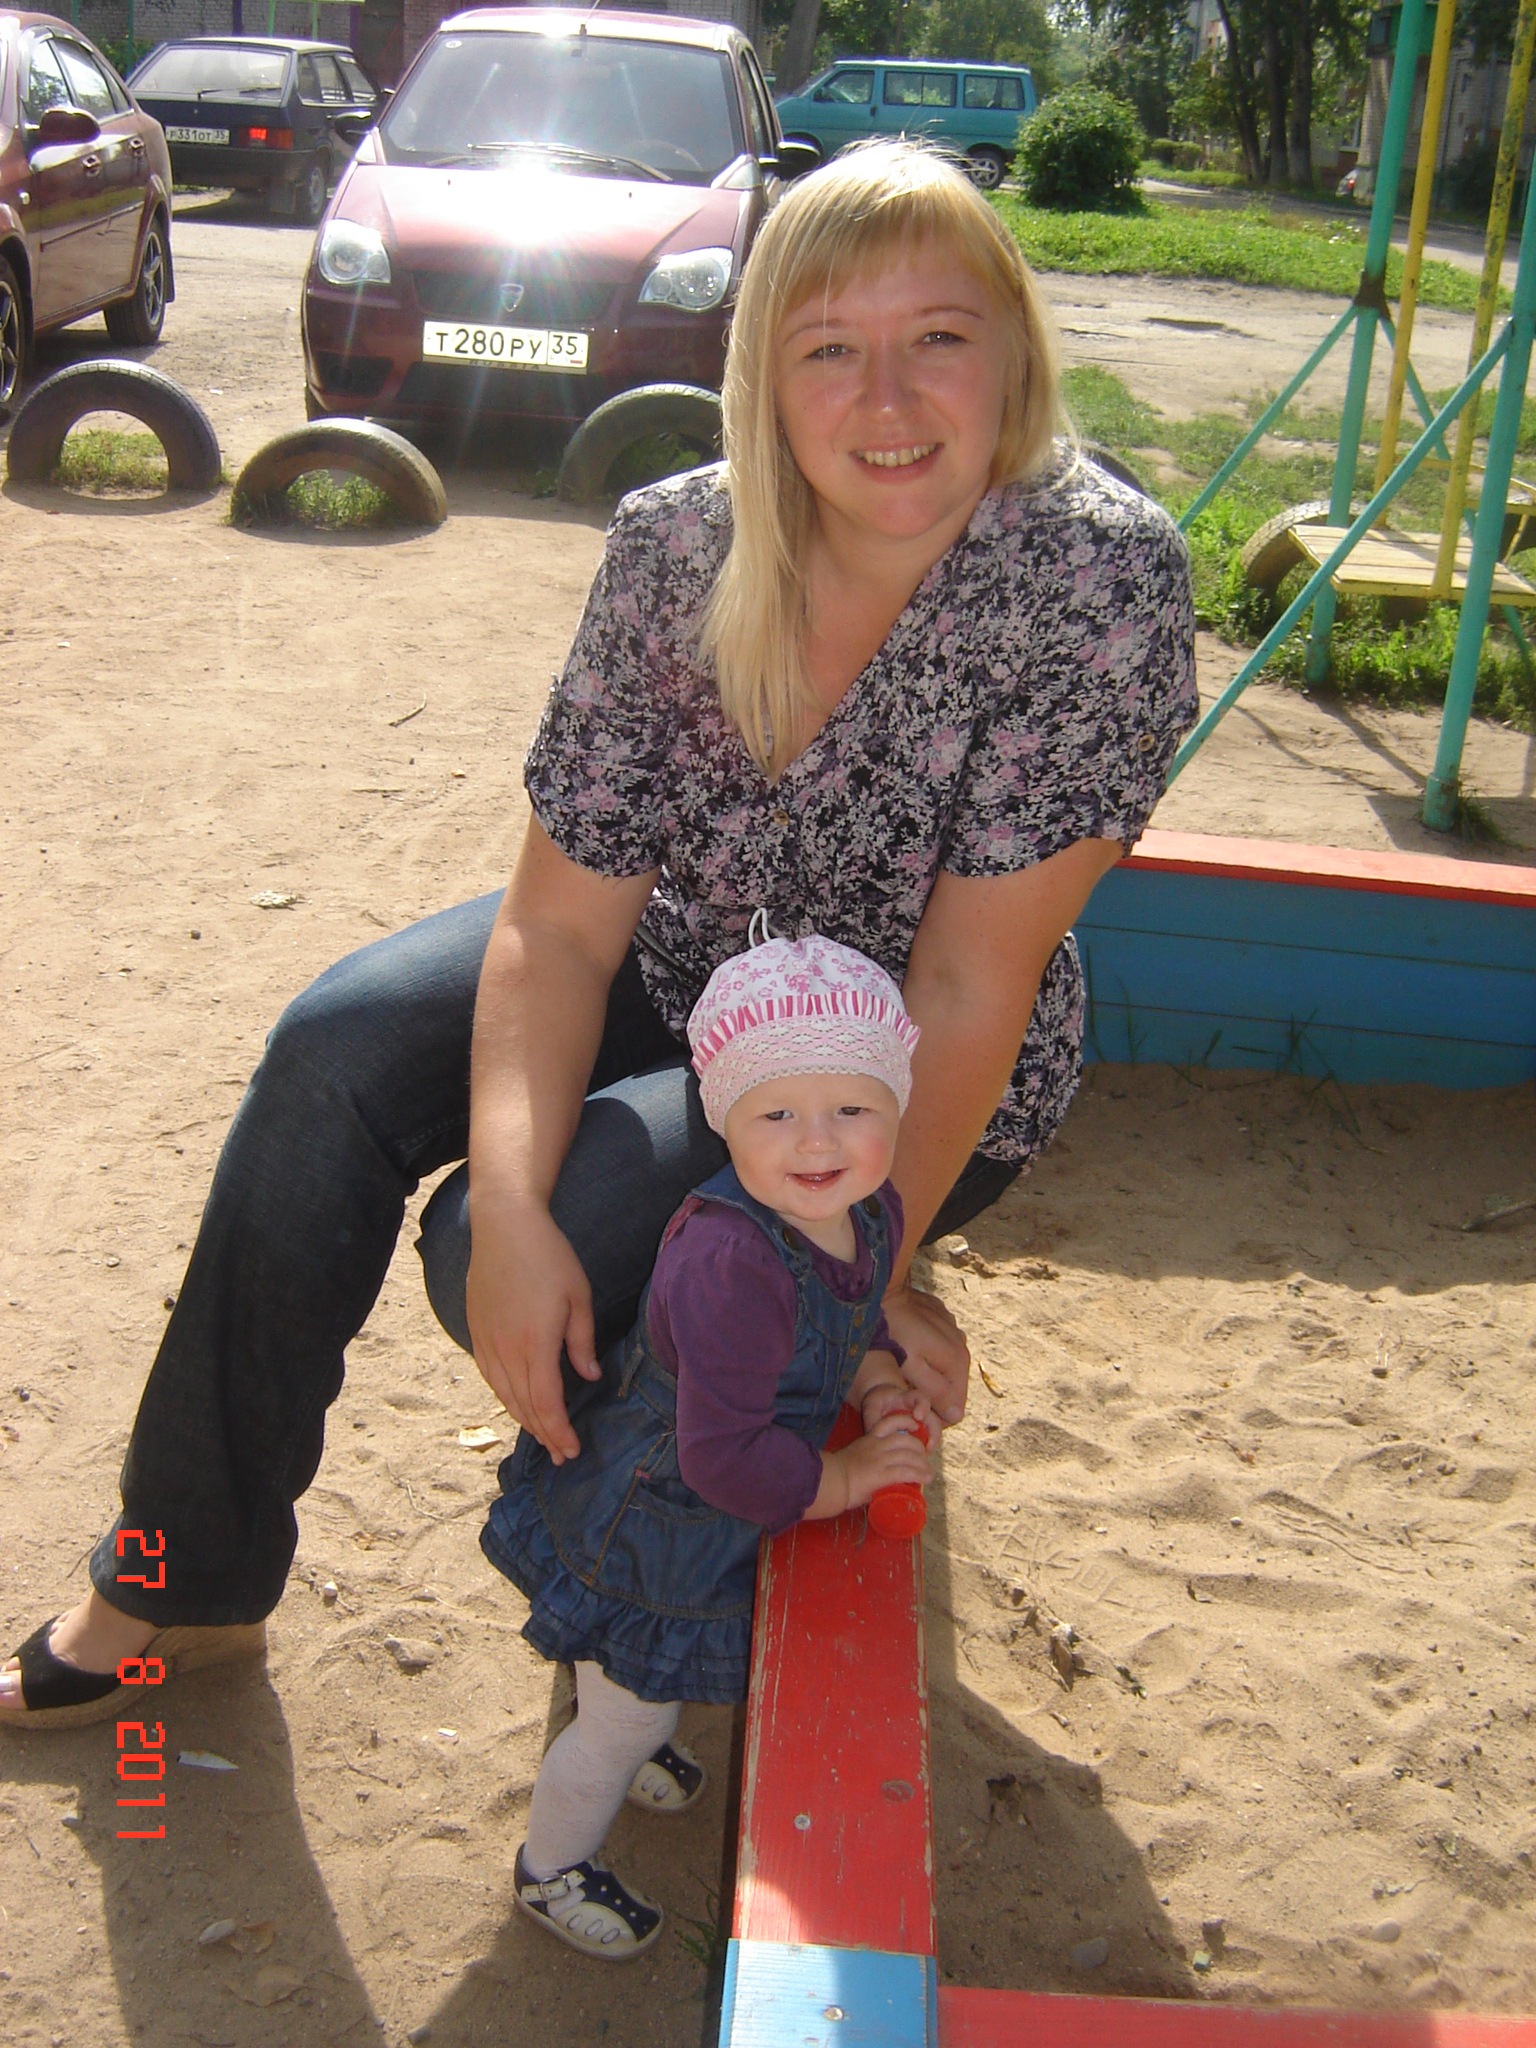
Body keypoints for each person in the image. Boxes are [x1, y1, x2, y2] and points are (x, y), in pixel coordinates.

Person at [0, 137, 1197, 1729]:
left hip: (898, 1069)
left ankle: (707, 1494)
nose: (887, 400)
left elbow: (972, 984)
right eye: (828, 350)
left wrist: (852, 1269)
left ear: (1016, 357)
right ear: (761, 377)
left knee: (540, 1260)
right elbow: (558, 933)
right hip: (680, 960)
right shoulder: (678, 547)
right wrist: (507, 1206)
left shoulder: (1097, 582)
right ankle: (179, 1582)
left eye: (939, 338)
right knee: (335, 1060)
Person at [495, 932, 932, 1959]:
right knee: (617, 1721)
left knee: (638, 1696)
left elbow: (852, 1314)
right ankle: (550, 1868)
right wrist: (846, 1474)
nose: (816, 1141)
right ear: (724, 1115)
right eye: (776, 1113)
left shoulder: (869, 1211)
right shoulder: (731, 1261)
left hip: (705, 1502)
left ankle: (636, 1728)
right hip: (659, 1516)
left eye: (854, 1109)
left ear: (896, 1110)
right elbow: (725, 1457)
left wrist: (873, 1376)